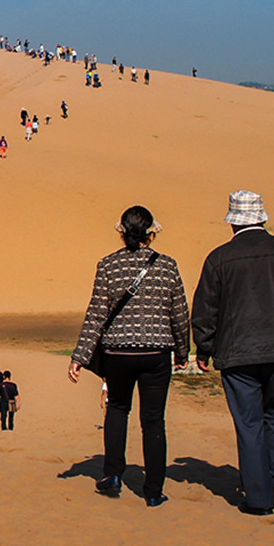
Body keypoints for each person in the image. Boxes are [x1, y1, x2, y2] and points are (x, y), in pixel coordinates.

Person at [192, 190, 274, 515]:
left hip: (237, 355)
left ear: (233, 223)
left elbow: (206, 309)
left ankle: (259, 497)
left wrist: (203, 349)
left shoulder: (218, 258)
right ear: (262, 218)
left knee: (249, 424)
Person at [68, 205, 190, 507]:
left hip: (118, 352)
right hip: (157, 353)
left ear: (122, 233)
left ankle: (112, 475)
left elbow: (96, 314)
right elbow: (179, 312)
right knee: (153, 421)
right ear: (151, 234)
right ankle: (153, 491)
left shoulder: (108, 265)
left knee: (117, 410)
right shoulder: (167, 266)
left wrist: (79, 356)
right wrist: (183, 352)